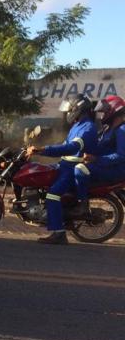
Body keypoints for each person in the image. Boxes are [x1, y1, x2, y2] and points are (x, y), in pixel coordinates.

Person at [26, 94, 98, 244]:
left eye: (70, 110)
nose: (67, 114)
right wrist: (41, 147)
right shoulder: (77, 126)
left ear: (77, 109)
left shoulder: (88, 128)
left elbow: (71, 147)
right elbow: (63, 144)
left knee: (52, 195)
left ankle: (59, 233)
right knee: (37, 173)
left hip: (72, 169)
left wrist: (43, 150)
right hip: (64, 165)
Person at [75, 95, 125, 208]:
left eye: (104, 112)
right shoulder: (107, 129)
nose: (101, 115)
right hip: (104, 166)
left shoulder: (122, 130)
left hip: (116, 170)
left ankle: (81, 206)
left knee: (80, 170)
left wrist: (96, 159)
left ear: (113, 110)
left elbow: (121, 156)